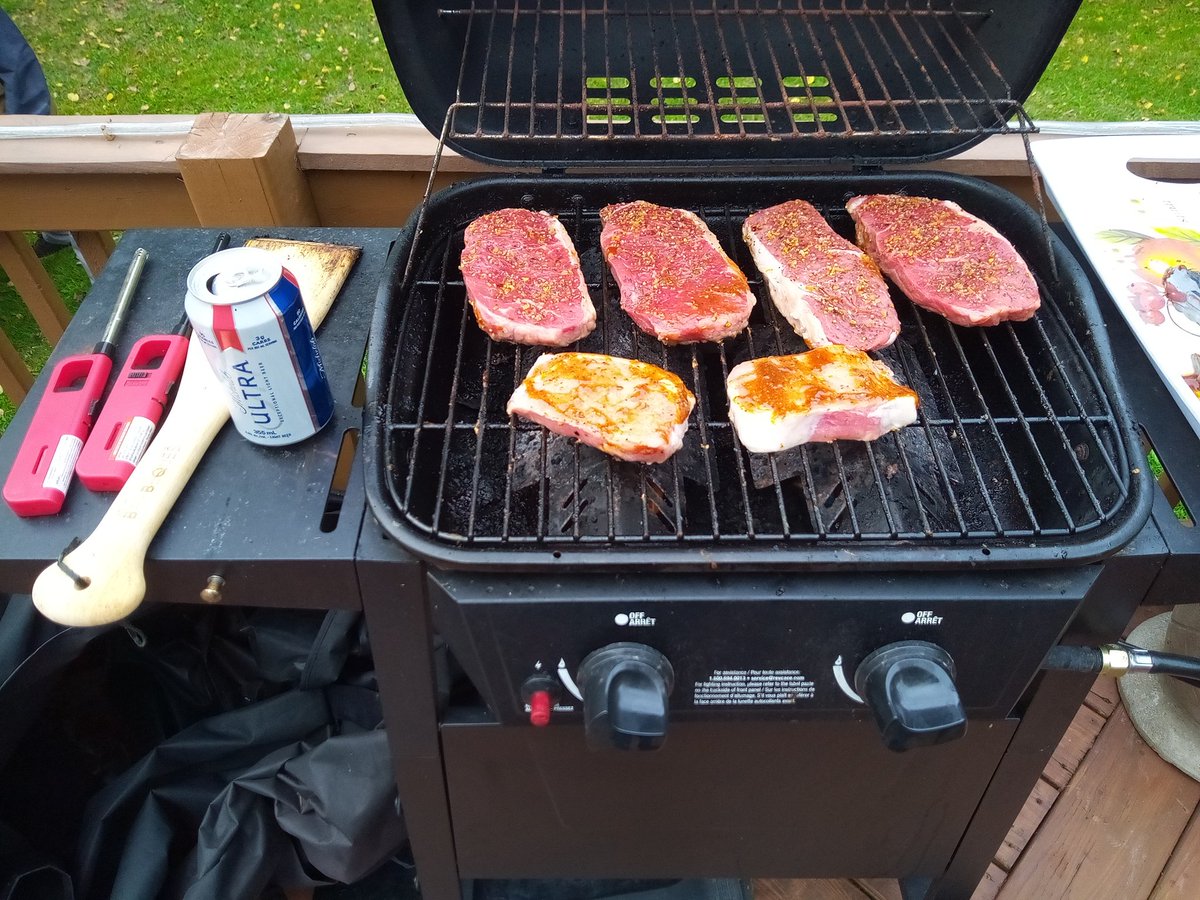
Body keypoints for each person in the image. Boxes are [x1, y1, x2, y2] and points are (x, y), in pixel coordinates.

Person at [0, 7, 77, 258]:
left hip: (17, 112)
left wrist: (29, 131)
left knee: (40, 163)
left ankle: (63, 228)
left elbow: (16, 63)